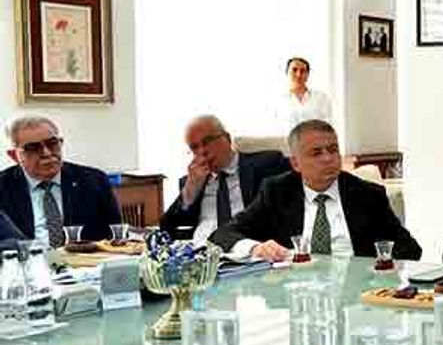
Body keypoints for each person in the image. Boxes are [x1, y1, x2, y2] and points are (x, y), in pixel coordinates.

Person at [211, 120, 421, 260]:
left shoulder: (367, 194)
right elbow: (223, 234)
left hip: (355, 296)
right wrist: (255, 248)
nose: (328, 158)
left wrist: (378, 266)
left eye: (333, 150)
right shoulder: (277, 192)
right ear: (295, 163)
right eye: (316, 153)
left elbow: (410, 249)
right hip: (297, 294)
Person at [160, 115, 291, 243]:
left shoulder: (267, 164)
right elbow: (166, 227)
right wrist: (189, 193)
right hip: (202, 250)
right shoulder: (191, 182)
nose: (202, 151)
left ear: (227, 138)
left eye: (207, 141)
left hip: (249, 248)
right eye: (194, 147)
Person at [0, 115, 122, 246]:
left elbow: (115, 235)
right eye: (33, 148)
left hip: (86, 257)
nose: (47, 153)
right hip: (26, 258)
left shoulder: (93, 181)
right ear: (14, 155)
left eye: (52, 143)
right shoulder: (3, 186)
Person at [278, 57, 332, 133]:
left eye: (302, 71)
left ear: (307, 75)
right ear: (287, 73)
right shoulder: (278, 101)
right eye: (294, 70)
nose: (298, 74)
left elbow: (329, 126)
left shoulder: (321, 98)